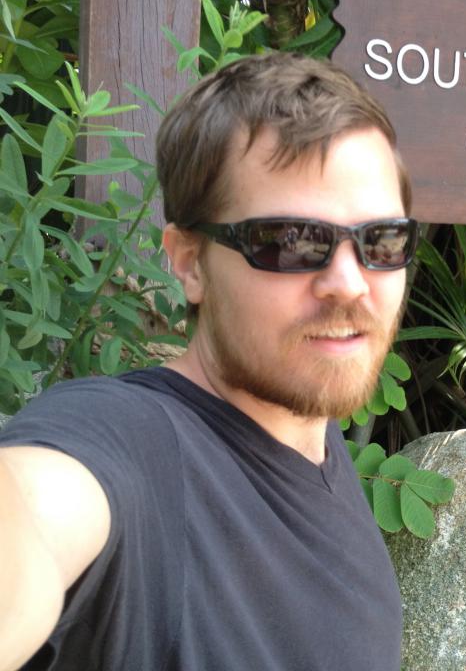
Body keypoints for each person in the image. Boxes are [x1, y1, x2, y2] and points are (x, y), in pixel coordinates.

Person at [0, 53, 418, 670]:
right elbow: (33, 512)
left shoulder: (311, 436)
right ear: (190, 262)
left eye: (382, 241)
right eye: (291, 241)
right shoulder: (136, 449)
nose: (349, 283)